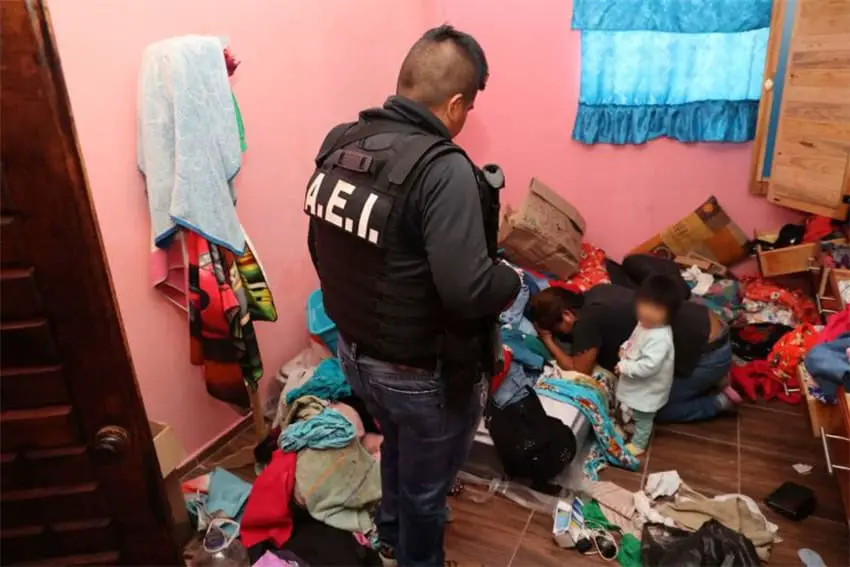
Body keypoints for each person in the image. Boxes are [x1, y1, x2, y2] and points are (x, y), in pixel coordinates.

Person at [305, 25, 520, 567]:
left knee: (398, 448)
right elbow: (470, 290)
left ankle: (389, 531)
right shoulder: (444, 169)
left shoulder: (341, 141)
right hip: (419, 373)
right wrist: (510, 270)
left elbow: (328, 246)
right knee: (429, 490)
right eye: (467, 107)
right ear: (454, 104)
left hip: (355, 353)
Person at [528, 283, 740, 423]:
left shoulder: (587, 321)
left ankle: (719, 402)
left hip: (709, 353)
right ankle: (709, 379)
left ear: (566, 315)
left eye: (558, 331)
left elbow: (579, 370)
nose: (561, 336)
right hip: (708, 325)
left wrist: (547, 339)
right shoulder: (598, 292)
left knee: (649, 410)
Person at [614, 275, 680, 456]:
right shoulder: (644, 324)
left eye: (656, 308)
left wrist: (625, 367)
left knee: (644, 416)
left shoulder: (660, 338)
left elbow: (649, 366)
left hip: (648, 387)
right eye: (644, 304)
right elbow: (633, 340)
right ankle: (628, 426)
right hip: (635, 378)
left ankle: (639, 443)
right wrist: (624, 348)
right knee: (628, 406)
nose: (647, 312)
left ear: (669, 314)